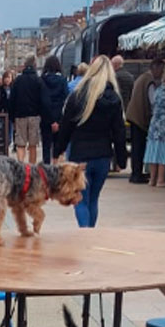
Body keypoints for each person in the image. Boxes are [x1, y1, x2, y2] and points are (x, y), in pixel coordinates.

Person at [55, 55, 127, 228]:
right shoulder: (114, 100)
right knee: (94, 200)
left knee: (80, 200)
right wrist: (122, 159)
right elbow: (119, 131)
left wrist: (58, 151)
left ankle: (84, 234)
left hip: (80, 155)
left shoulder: (78, 96)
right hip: (103, 155)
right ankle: (91, 234)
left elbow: (66, 127)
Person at [126, 58, 165, 183]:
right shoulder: (149, 81)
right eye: (162, 70)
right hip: (140, 117)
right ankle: (137, 174)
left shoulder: (141, 78)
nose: (162, 73)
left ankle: (135, 173)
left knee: (136, 147)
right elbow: (153, 102)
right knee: (139, 147)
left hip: (133, 115)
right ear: (156, 68)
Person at [9, 54, 42, 163]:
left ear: (24, 65)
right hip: (34, 115)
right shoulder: (38, 80)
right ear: (35, 64)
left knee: (20, 144)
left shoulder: (18, 80)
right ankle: (31, 169)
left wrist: (12, 117)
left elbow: (12, 100)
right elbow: (42, 99)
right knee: (32, 145)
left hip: (20, 115)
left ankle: (21, 168)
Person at [40, 55, 69, 163]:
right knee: (58, 145)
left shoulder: (42, 80)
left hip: (46, 117)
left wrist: (50, 120)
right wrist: (57, 121)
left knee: (46, 145)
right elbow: (66, 98)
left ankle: (46, 169)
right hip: (59, 116)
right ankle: (56, 166)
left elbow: (42, 101)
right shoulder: (62, 80)